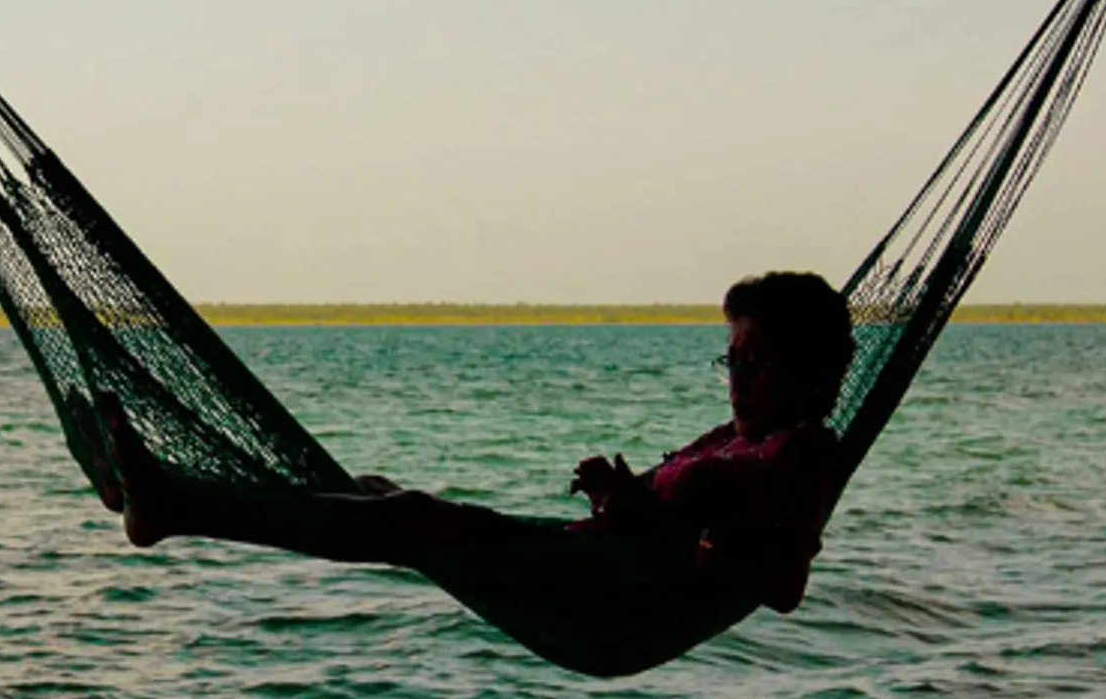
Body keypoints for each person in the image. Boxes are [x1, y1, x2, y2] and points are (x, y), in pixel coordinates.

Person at [104, 273, 856, 673]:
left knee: (405, 519)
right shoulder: (737, 433)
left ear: (813, 369)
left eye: (757, 362)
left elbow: (779, 583)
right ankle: (175, 505)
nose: (738, 377)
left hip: (610, 599)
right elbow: (683, 522)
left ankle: (175, 506)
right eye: (732, 359)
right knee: (378, 494)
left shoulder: (802, 452)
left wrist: (645, 515)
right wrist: (622, 501)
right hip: (585, 565)